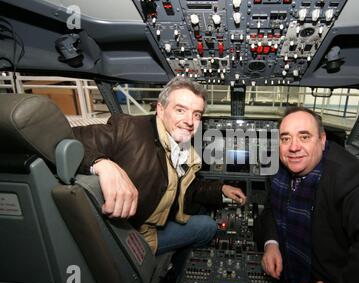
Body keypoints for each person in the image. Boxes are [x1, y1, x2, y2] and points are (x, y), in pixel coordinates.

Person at [73, 77, 246, 255]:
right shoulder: (128, 129)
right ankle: (168, 267)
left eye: (197, 115)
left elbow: (186, 188)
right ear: (160, 109)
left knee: (203, 214)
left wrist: (221, 188)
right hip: (133, 237)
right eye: (180, 110)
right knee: (208, 227)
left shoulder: (183, 150)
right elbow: (66, 136)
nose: (190, 121)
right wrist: (102, 164)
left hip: (149, 225)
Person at [259, 107, 359, 283]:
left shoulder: (350, 179)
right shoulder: (279, 169)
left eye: (304, 137)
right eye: (285, 138)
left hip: (326, 282)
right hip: (290, 275)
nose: (293, 147)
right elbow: (271, 208)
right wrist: (271, 243)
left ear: (322, 139)